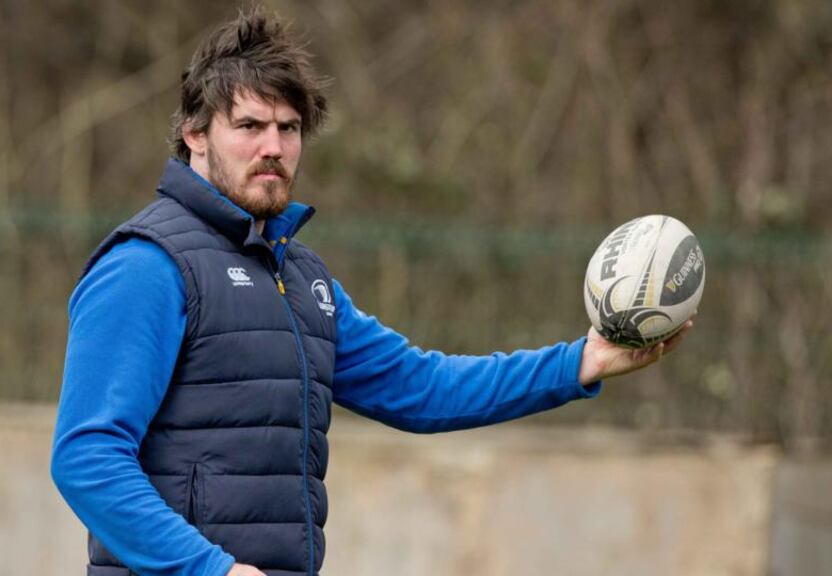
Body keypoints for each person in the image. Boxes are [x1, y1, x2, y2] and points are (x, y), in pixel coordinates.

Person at [50, 8, 691, 576]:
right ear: (195, 133)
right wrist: (207, 570)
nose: (273, 147)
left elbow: (425, 387)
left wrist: (580, 363)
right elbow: (87, 457)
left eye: (289, 129)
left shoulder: (303, 280)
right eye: (249, 126)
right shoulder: (146, 266)